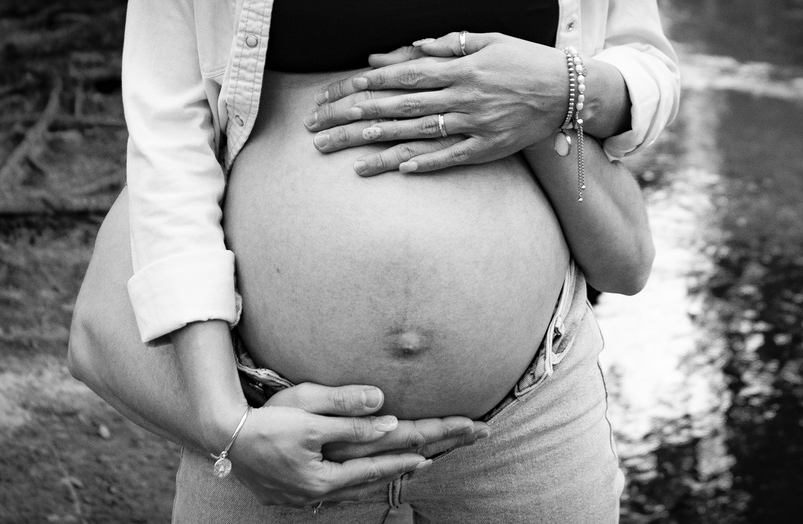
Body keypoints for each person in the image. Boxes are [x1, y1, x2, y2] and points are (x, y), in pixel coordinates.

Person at [68, 0, 679, 521]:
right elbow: (170, 136)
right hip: (271, 411)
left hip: (529, 425)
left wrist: (565, 88)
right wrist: (226, 424)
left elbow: (646, 66)